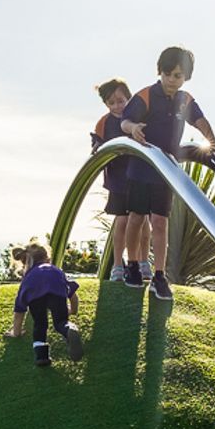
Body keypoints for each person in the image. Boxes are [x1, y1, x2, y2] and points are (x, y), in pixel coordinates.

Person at [120, 45, 215, 301]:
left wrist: (212, 141)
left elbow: (199, 121)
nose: (172, 80)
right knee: (136, 217)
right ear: (160, 72)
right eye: (168, 74)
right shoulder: (146, 95)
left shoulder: (185, 99)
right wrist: (133, 128)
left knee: (160, 221)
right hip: (142, 164)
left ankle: (159, 275)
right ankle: (132, 264)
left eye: (178, 76)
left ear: (186, 77)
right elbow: (124, 121)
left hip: (165, 169)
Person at [5, 240, 84, 368]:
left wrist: (16, 332)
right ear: (47, 258)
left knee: (40, 325)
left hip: (36, 300)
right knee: (60, 322)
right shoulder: (55, 271)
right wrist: (73, 310)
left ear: (24, 262)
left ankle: (42, 357)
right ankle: (69, 329)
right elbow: (72, 294)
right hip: (57, 295)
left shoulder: (28, 279)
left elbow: (19, 310)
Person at [91, 79, 138, 283]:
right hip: (118, 179)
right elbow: (97, 146)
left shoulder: (137, 117)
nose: (118, 106)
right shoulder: (104, 123)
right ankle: (118, 264)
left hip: (139, 176)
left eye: (121, 100)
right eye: (112, 103)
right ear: (107, 105)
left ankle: (138, 262)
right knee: (121, 220)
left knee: (140, 220)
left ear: (129, 98)